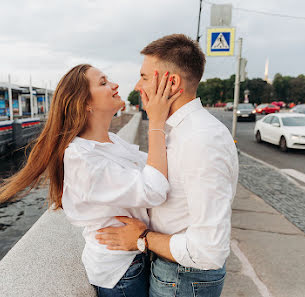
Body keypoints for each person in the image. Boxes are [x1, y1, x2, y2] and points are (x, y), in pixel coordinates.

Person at [0, 64, 182, 297]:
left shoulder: (110, 141)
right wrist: (155, 123)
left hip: (133, 257)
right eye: (103, 83)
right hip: (121, 270)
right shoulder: (81, 156)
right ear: (85, 103)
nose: (115, 85)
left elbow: (159, 167)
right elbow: (154, 189)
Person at [96, 34, 239, 297]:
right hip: (176, 271)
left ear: (171, 83)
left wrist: (142, 239)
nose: (138, 86)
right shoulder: (178, 130)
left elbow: (209, 250)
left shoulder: (200, 140)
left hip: (184, 276)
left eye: (145, 77)